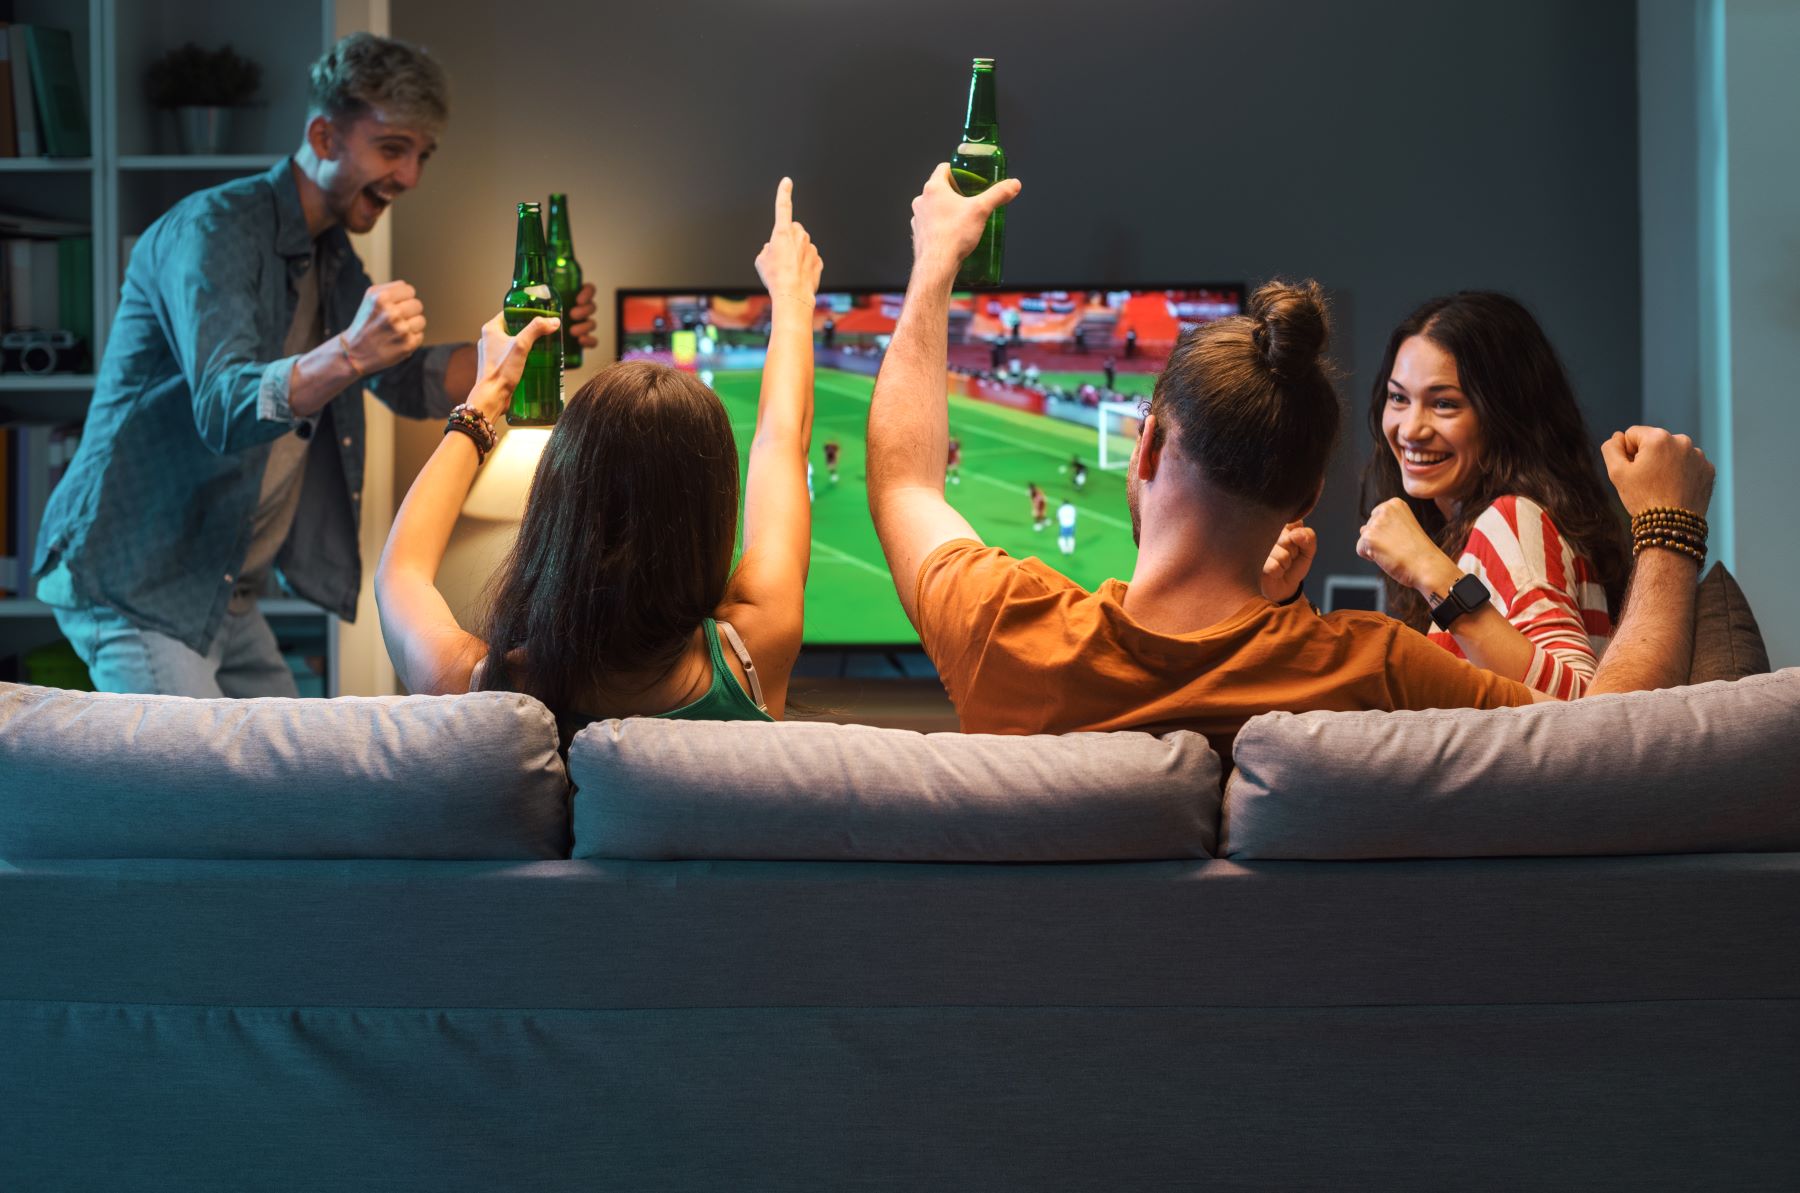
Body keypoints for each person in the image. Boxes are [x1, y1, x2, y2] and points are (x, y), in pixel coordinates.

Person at [864, 164, 1715, 763]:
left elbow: (904, 479)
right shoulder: (1374, 668)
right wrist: (1668, 528)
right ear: (1307, 495)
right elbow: (1622, 744)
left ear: (1150, 446)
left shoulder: (1006, 627)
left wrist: (936, 260)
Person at [31, 33, 601, 698]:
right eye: (393, 149)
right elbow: (222, 404)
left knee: (291, 779)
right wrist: (351, 350)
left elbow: (403, 376)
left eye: (422, 154)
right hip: (137, 581)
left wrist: (523, 343)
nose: (410, 177)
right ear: (326, 137)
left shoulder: (328, 252)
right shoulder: (215, 230)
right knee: (195, 793)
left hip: (221, 593)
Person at [376, 178, 820, 736]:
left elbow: (401, 575)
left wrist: (483, 400)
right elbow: (781, 441)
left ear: (558, 502)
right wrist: (793, 298)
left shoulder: (480, 686)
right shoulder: (757, 650)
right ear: (708, 515)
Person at [1356, 292, 1630, 699]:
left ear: (1505, 415)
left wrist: (1430, 570)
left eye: (1444, 403)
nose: (1411, 428)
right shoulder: (1488, 525)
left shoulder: (1513, 519)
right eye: (1398, 398)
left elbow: (1581, 712)